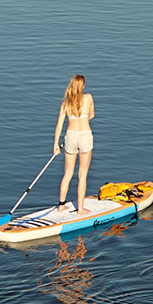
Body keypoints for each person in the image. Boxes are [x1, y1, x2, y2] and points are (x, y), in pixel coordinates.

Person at [54, 74, 95, 217]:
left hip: (70, 136)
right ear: (82, 86)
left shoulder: (66, 104)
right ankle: (81, 209)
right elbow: (91, 115)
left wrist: (55, 144)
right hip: (84, 135)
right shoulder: (88, 98)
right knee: (82, 175)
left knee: (68, 173)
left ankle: (61, 206)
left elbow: (59, 125)